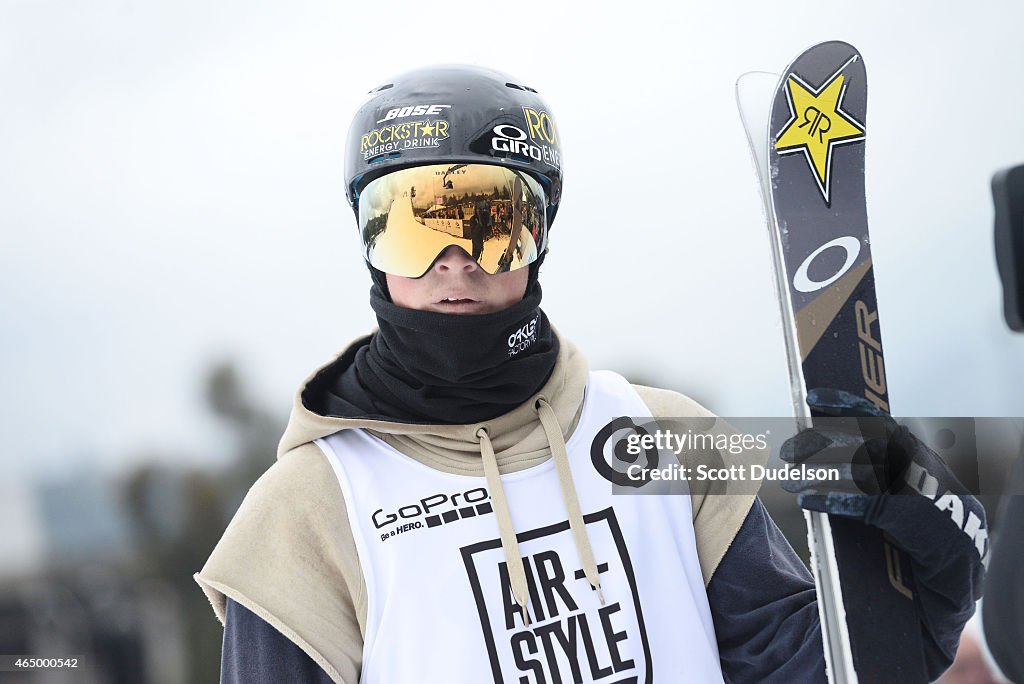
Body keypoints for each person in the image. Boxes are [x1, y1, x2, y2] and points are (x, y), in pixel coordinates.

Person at [195, 65, 985, 683]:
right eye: (409, 225)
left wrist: (907, 613)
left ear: (539, 233)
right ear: (366, 240)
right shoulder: (304, 514)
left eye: (490, 222)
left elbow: (795, 670)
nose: (454, 262)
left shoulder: (669, 437)